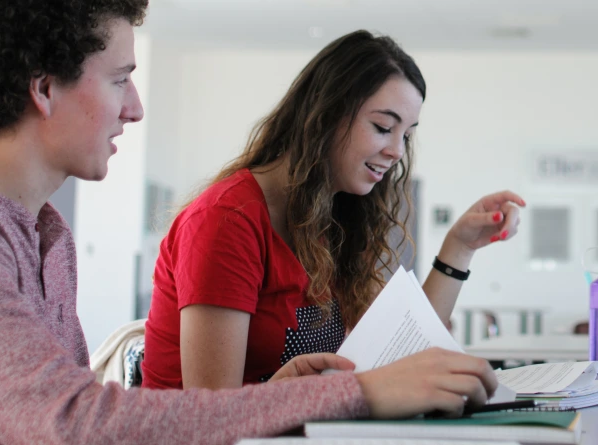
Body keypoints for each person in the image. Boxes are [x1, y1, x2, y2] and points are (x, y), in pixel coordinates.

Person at [0, 0, 499, 445]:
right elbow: (73, 422)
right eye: (121, 80)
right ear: (45, 88)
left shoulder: (44, 233)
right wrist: (360, 393)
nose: (136, 109)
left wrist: (290, 392)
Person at [141, 29, 525, 390]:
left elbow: (403, 347)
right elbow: (212, 419)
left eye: (406, 135)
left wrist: (460, 247)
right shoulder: (226, 221)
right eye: (382, 127)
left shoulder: (332, 220)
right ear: (324, 116)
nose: (396, 151)